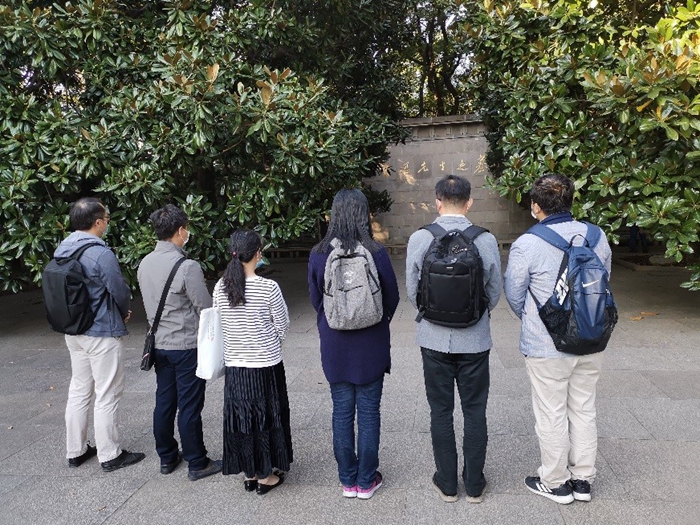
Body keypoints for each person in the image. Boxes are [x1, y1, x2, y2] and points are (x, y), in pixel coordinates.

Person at [504, 173, 612, 504]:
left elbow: (514, 293)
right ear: (570, 201)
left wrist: (535, 320)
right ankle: (583, 479)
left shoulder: (527, 243)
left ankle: (555, 482)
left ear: (535, 206)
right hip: (591, 338)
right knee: (584, 408)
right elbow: (603, 282)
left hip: (546, 345)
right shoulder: (597, 236)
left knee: (551, 412)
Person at [405, 175, 502, 503]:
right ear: (469, 202)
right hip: (475, 340)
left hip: (433, 340)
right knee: (475, 411)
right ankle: (474, 485)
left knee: (440, 411)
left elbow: (413, 292)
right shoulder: (485, 239)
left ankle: (447, 483)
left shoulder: (420, 238)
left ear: (437, 201)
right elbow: (494, 292)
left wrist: (434, 313)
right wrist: (474, 314)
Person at [309, 189, 400, 500]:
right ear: (364, 214)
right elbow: (392, 296)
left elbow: (316, 299)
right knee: (370, 412)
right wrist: (374, 318)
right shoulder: (376, 251)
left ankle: (348, 480)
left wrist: (335, 318)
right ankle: (366, 480)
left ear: (334, 214)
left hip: (335, 344)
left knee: (341, 412)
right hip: (371, 342)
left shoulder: (319, 252)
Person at [55, 197, 145, 471]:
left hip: (73, 330)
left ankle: (76, 450)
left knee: (79, 390)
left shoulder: (62, 248)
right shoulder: (100, 253)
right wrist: (123, 311)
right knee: (107, 393)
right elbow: (118, 289)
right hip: (101, 330)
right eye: (106, 219)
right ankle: (110, 454)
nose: (107, 223)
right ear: (97, 222)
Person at [137, 204, 222, 481]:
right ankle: (197, 461)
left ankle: (167, 456)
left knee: (164, 402)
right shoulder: (187, 267)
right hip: (186, 346)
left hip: (159, 345)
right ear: (180, 230)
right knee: (189, 406)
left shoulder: (145, 263)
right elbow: (205, 307)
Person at [214, 229, 292, 495]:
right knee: (266, 418)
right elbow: (282, 325)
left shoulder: (220, 287)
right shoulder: (268, 287)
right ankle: (266, 475)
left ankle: (249, 473)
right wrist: (270, 342)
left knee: (243, 419)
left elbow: (220, 325)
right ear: (258, 253)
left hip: (236, 367)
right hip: (265, 365)